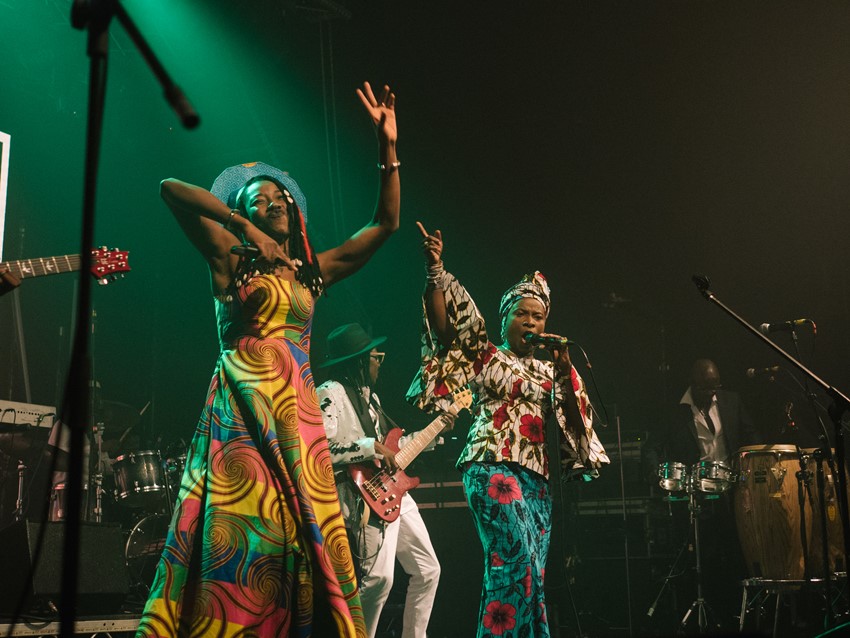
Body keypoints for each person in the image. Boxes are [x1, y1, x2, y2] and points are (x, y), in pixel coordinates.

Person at [136, 81, 399, 638]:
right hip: (244, 418)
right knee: (245, 536)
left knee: (295, 544)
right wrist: (242, 227)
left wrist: (387, 148)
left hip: (298, 427)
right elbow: (169, 187)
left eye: (278, 197)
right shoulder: (230, 265)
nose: (272, 202)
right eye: (258, 199)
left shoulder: (312, 272)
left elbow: (384, 226)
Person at [406, 222, 609, 638]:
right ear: (505, 318)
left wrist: (566, 363)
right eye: (522, 314)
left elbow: (576, 421)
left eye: (538, 315)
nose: (530, 321)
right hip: (491, 464)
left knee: (528, 573)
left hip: (537, 480)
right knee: (514, 560)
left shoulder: (550, 369)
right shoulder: (485, 355)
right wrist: (435, 271)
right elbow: (445, 327)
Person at [316, 322, 443, 638]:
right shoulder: (330, 393)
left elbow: (394, 446)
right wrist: (367, 447)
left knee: (428, 569)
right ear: (358, 360)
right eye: (376, 357)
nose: (380, 362)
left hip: (393, 490)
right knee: (378, 580)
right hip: (364, 498)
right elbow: (319, 451)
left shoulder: (369, 398)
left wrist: (435, 433)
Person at [661, 358, 760, 631]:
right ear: (692, 386)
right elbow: (658, 448)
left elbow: (750, 435)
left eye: (714, 388)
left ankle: (741, 615)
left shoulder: (731, 401)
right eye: (705, 389)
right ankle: (709, 613)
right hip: (699, 493)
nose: (711, 394)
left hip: (733, 490)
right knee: (706, 557)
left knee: (738, 551)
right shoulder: (676, 411)